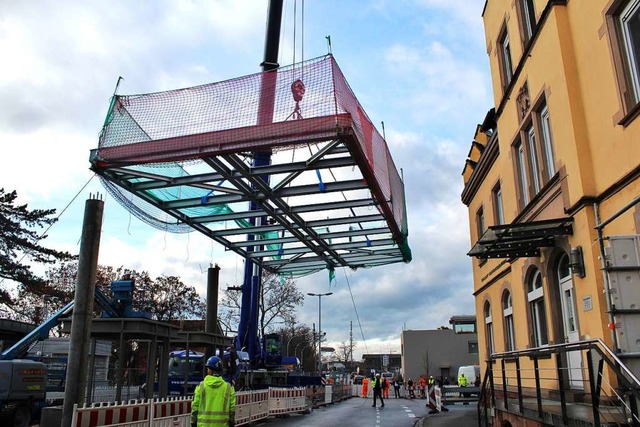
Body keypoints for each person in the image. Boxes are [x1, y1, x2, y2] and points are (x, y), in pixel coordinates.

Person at [191, 356, 236, 427]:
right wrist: (231, 421)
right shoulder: (228, 387)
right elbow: (232, 409)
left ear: (210, 371)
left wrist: (193, 422)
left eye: (208, 369)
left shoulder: (201, 386)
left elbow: (195, 407)